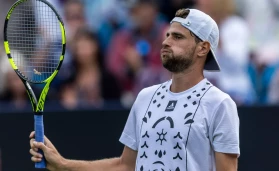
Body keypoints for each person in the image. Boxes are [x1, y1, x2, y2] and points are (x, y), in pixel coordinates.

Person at [29, 8, 240, 171]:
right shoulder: (145, 97)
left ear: (203, 48)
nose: (166, 42)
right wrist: (64, 165)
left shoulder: (220, 104)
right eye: (167, 35)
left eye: (177, 37)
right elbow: (125, 165)